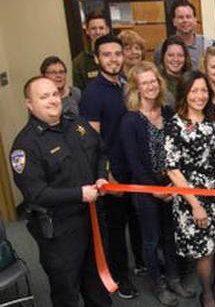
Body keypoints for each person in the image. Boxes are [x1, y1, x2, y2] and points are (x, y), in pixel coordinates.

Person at [10, 76, 111, 307]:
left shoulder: (76, 123)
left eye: (55, 94)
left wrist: (101, 175)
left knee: (97, 285)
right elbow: (36, 193)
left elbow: (101, 151)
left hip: (93, 220)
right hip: (60, 232)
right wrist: (80, 194)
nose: (53, 100)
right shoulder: (25, 146)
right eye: (44, 97)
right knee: (66, 291)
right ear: (29, 104)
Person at [120, 62, 194, 306]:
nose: (150, 86)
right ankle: (159, 284)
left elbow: (179, 151)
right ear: (136, 88)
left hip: (171, 187)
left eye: (153, 81)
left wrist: (172, 187)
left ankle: (173, 279)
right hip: (146, 191)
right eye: (144, 83)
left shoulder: (169, 112)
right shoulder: (130, 121)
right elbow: (134, 164)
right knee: (151, 240)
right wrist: (156, 190)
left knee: (171, 236)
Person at [165, 71, 215, 307]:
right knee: (205, 250)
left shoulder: (212, 123)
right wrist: (195, 205)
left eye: (203, 90)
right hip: (190, 197)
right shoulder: (174, 125)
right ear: (184, 93)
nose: (199, 95)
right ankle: (206, 293)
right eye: (194, 90)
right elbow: (173, 170)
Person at [79, 33, 140, 299]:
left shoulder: (126, 84)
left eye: (117, 53)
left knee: (137, 221)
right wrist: (107, 175)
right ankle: (121, 277)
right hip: (113, 172)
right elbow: (92, 142)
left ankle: (140, 264)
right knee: (116, 228)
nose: (113, 59)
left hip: (134, 167)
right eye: (107, 54)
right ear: (97, 58)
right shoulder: (93, 94)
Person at [155, 1, 215, 68]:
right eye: (180, 17)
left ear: (195, 20)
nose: (185, 20)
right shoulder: (163, 49)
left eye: (188, 17)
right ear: (174, 22)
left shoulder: (208, 45)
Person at [72, 11, 109, 89]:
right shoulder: (79, 62)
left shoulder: (118, 56)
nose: (98, 32)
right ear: (87, 31)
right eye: (93, 28)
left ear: (107, 30)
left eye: (101, 28)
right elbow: (79, 92)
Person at [159, 36, 193, 106]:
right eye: (171, 55)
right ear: (163, 56)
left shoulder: (192, 79)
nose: (176, 59)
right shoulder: (157, 82)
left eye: (180, 55)